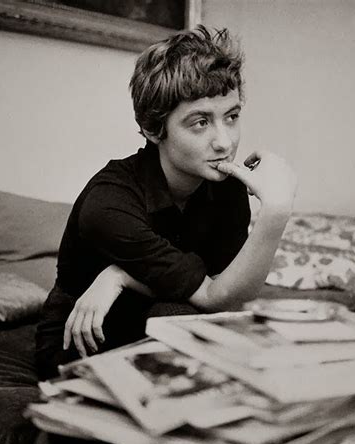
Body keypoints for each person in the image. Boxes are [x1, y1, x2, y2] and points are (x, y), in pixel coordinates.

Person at [35, 24, 296, 380]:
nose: (224, 142)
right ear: (153, 129)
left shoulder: (225, 186)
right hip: (83, 341)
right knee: (178, 319)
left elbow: (232, 295)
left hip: (166, 318)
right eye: (200, 122)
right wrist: (276, 212)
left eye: (232, 117)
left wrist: (122, 275)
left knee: (250, 344)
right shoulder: (108, 203)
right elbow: (215, 296)